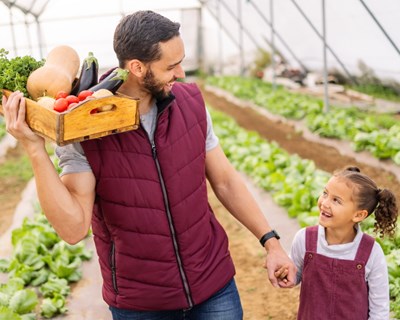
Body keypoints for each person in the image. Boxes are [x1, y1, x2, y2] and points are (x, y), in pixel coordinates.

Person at [2, 10, 296, 320]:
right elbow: (73, 228)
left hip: (213, 286)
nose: (181, 73)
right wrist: (35, 149)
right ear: (137, 68)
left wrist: (271, 242)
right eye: (171, 66)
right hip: (140, 303)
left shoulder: (191, 103)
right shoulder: (83, 127)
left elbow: (224, 180)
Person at [276, 166, 398, 320]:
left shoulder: (371, 252)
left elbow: (379, 309)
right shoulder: (305, 239)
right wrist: (286, 275)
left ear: (359, 215)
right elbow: (296, 274)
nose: (325, 203)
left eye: (336, 200)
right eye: (325, 193)